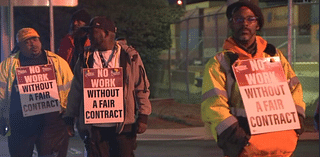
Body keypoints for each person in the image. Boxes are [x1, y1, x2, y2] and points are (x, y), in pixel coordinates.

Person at [201, 1, 305, 157]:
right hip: (245, 150)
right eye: (238, 19)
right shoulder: (220, 63)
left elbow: (295, 90)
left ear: (258, 25)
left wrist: (296, 125)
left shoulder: (275, 57)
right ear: (230, 24)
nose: (244, 24)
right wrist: (239, 141)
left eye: (251, 19)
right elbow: (214, 108)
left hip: (282, 148)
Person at [63, 16, 152, 157]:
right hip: (94, 129)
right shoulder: (86, 58)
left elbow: (141, 86)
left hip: (122, 128)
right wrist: (69, 118)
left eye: (92, 31)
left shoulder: (129, 57)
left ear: (105, 33)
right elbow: (76, 90)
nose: (89, 36)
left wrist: (143, 115)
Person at [0, 28, 73, 157]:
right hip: (21, 127)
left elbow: (71, 89)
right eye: (27, 42)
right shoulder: (7, 65)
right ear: (20, 46)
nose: (33, 44)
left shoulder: (58, 62)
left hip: (52, 125)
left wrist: (68, 117)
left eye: (35, 39)